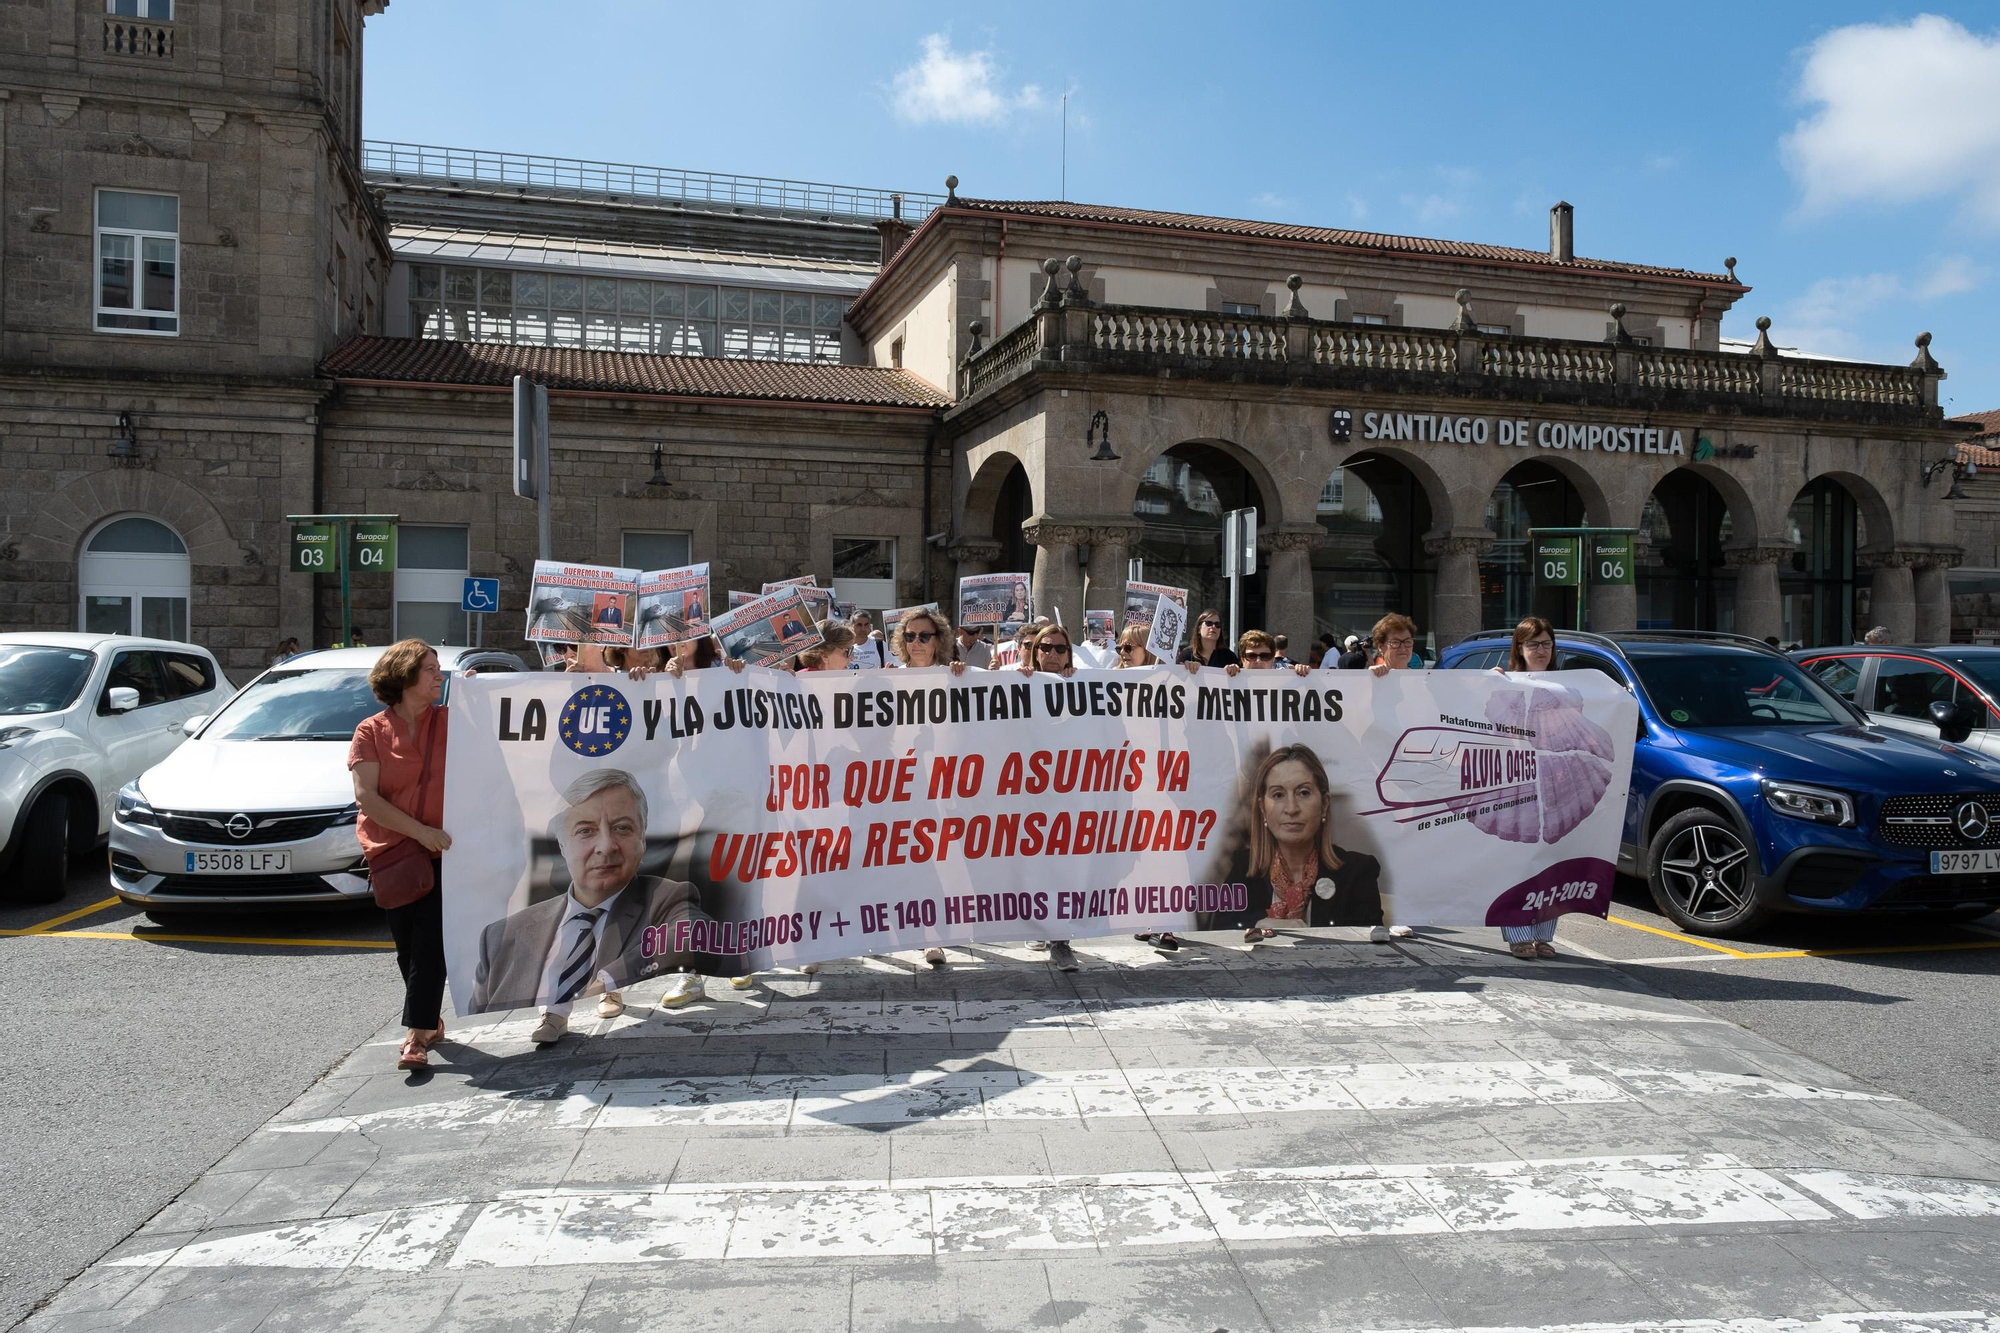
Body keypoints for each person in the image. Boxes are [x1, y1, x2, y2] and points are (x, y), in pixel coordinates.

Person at [472, 768, 740, 1039]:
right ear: (562, 845)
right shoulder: (500, 936)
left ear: (642, 838)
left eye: (622, 828)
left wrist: (608, 978)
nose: (606, 846)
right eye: (586, 831)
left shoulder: (667, 897)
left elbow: (694, 930)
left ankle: (608, 993)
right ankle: (553, 1011)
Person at [349, 639, 453, 1072]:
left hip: (445, 851)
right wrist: (420, 833)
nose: (438, 676)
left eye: (438, 667)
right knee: (407, 948)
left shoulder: (454, 720)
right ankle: (429, 1021)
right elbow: (367, 799)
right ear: (406, 676)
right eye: (430, 669)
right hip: (392, 851)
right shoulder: (370, 731)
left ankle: (415, 1035)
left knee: (431, 944)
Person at [1226, 744, 1383, 942]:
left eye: (1304, 793)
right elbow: (1215, 933)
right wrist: (1257, 925)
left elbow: (1373, 951)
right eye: (1278, 795)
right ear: (1262, 808)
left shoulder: (1358, 871)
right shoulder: (1242, 869)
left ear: (1324, 804)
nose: (1291, 809)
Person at [892, 606, 969, 965]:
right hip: (898, 786)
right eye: (910, 636)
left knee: (937, 861)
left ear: (938, 640)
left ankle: (932, 936)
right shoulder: (889, 678)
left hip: (943, 785)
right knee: (906, 862)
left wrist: (963, 677)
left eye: (925, 636)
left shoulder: (955, 676)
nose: (917, 643)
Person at [1493, 617, 1563, 960]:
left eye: (1546, 644)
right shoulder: (1505, 681)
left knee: (1549, 859)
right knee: (1518, 860)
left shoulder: (1568, 684)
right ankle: (1519, 934)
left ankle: (1544, 933)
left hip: (1556, 779)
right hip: (1515, 781)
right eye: (1532, 644)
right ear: (1519, 649)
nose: (1540, 651)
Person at [1015, 625, 1081, 970]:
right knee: (1031, 863)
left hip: (1067, 796)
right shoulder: (1017, 683)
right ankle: (1035, 921)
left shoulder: (1084, 685)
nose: (1052, 654)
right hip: (1025, 795)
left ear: (1069, 653)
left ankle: (1060, 941)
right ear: (1033, 651)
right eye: (1045, 648)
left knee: (1061, 866)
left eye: (1060, 648)